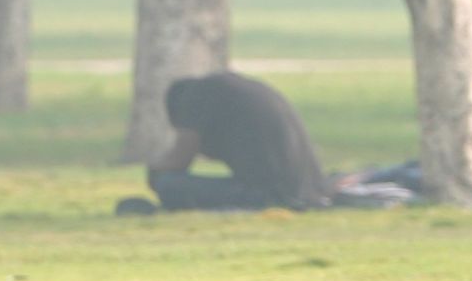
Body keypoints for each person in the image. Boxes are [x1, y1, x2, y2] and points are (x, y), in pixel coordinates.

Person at [133, 70, 331, 213]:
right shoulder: (228, 90)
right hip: (306, 188)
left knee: (169, 184)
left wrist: (155, 169)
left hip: (269, 195)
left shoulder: (195, 97)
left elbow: (180, 160)